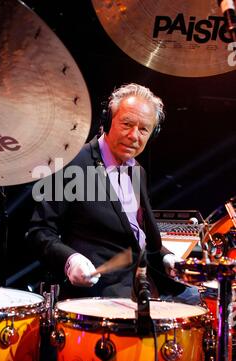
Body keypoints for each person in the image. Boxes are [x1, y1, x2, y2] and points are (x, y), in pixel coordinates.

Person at [26, 83, 201, 305]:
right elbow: (40, 231)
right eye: (127, 124)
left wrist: (167, 256)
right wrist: (71, 260)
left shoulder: (138, 171)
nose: (133, 135)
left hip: (145, 285)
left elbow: (137, 235)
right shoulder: (72, 164)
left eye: (143, 129)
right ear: (108, 121)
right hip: (103, 293)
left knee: (200, 299)